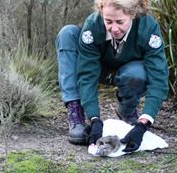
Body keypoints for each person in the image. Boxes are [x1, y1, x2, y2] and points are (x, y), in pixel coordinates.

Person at [55, 0, 169, 152]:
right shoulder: (93, 25)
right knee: (67, 33)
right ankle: (76, 112)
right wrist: (95, 119)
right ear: (102, 12)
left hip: (131, 72)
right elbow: (87, 75)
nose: (114, 29)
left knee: (138, 73)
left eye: (120, 22)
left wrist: (143, 124)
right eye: (108, 21)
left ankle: (128, 110)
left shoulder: (148, 27)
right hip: (100, 69)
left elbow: (159, 79)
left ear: (133, 14)